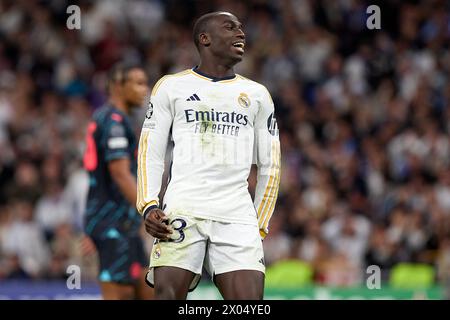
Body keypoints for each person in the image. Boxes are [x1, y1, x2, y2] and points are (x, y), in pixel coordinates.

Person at [137, 11, 281, 300]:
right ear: (205, 39)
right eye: (230, 28)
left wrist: (258, 224)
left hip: (236, 214)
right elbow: (150, 151)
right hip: (183, 208)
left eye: (241, 28)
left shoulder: (256, 94)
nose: (241, 33)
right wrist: (149, 204)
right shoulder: (171, 86)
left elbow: (270, 164)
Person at [83, 62, 154, 300]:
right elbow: (120, 173)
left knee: (145, 290)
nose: (144, 89)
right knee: (120, 293)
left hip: (123, 223)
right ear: (117, 86)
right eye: (137, 83)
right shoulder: (113, 121)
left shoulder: (111, 118)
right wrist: (149, 211)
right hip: (112, 223)